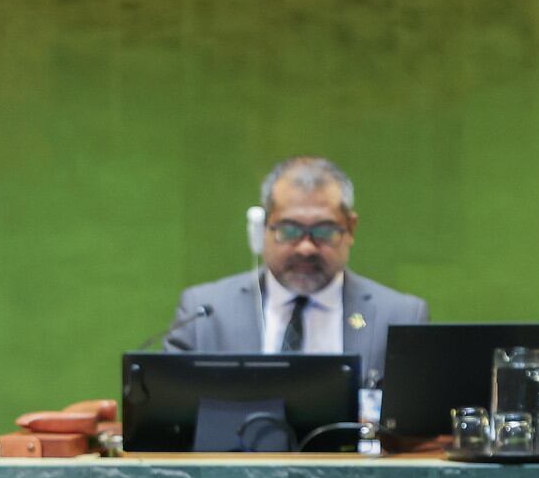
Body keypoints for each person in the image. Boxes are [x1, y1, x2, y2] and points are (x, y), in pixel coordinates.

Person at [163, 156, 430, 385]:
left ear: (350, 229)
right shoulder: (205, 312)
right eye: (289, 230)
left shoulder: (400, 316)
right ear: (261, 229)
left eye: (323, 231)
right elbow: (170, 408)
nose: (306, 248)